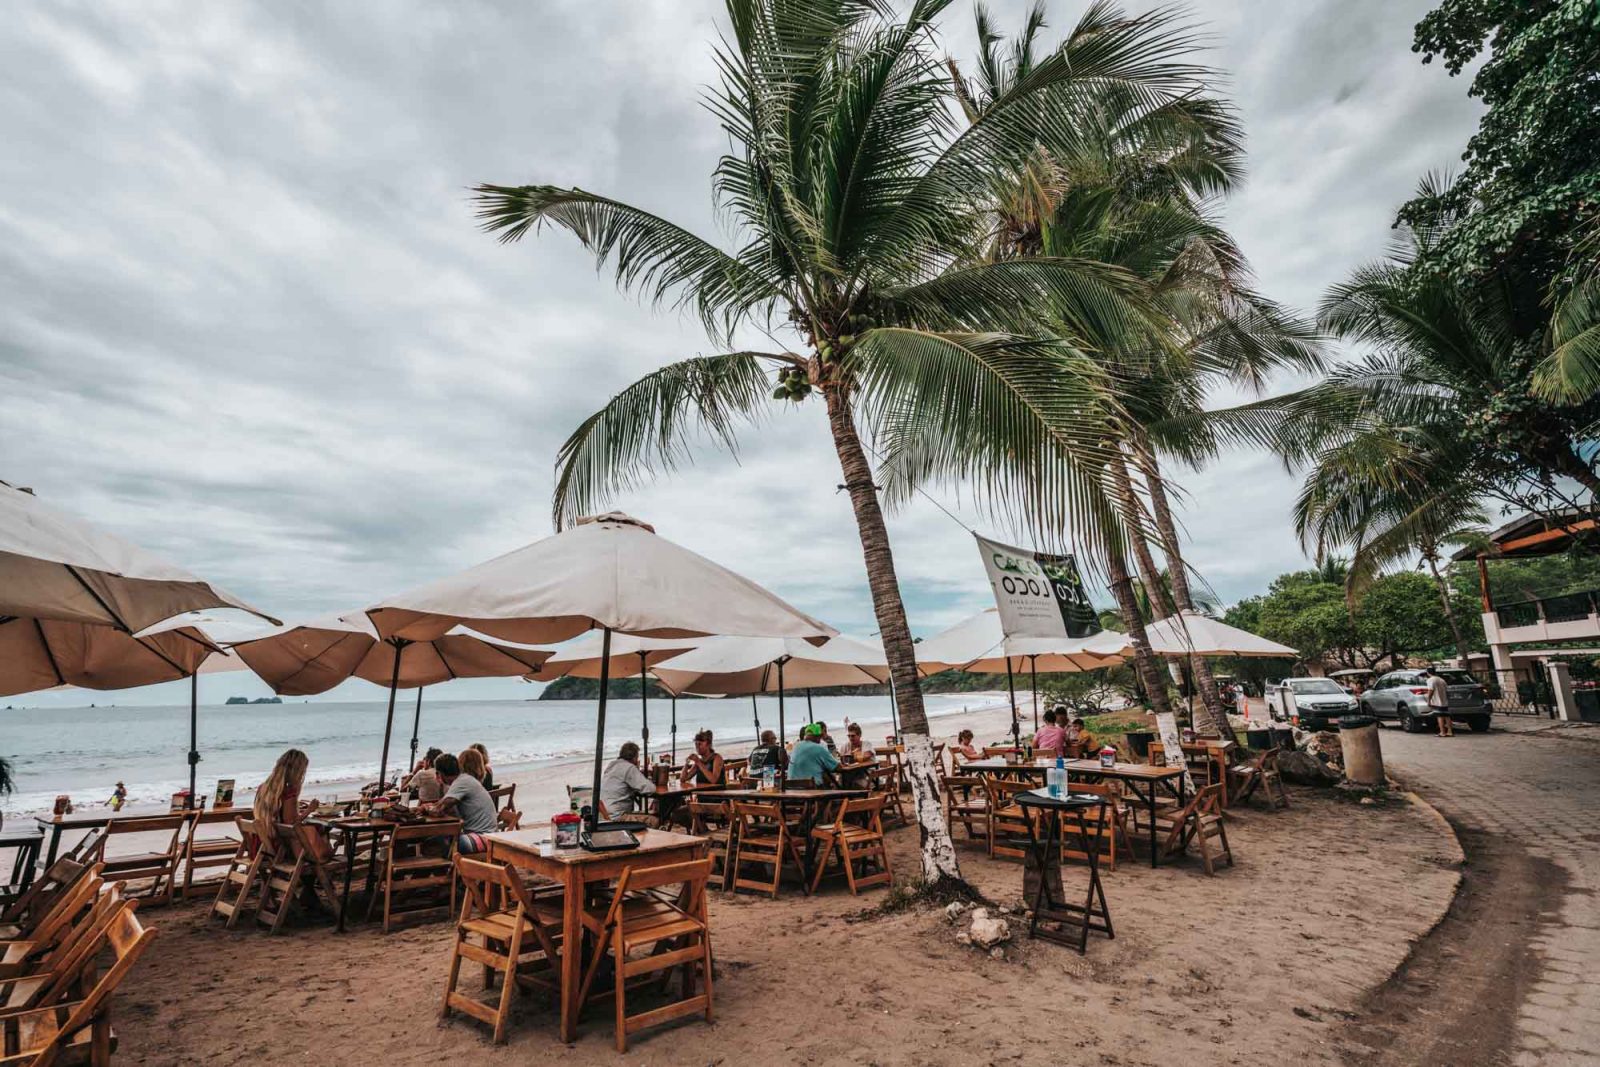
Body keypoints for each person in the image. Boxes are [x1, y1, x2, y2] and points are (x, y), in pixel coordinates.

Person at [428, 752, 499, 853]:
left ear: (440, 774)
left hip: (484, 838)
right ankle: (448, 867)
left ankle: (447, 868)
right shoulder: (463, 780)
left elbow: (439, 809)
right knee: (437, 840)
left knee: (435, 844)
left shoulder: (462, 782)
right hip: (486, 835)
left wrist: (425, 809)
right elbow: (443, 805)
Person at [600, 741, 658, 826]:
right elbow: (650, 789)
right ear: (634, 757)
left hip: (603, 814)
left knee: (646, 813)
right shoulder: (629, 768)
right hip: (618, 817)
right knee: (655, 820)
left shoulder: (612, 765)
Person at [1425, 668, 1454, 737]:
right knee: (1447, 716)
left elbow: (1430, 690)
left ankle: (1442, 732)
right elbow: (1446, 690)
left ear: (1428, 673)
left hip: (1437, 701)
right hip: (1444, 701)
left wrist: (1429, 700)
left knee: (1439, 716)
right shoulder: (1442, 680)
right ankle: (1450, 731)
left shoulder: (1430, 680)